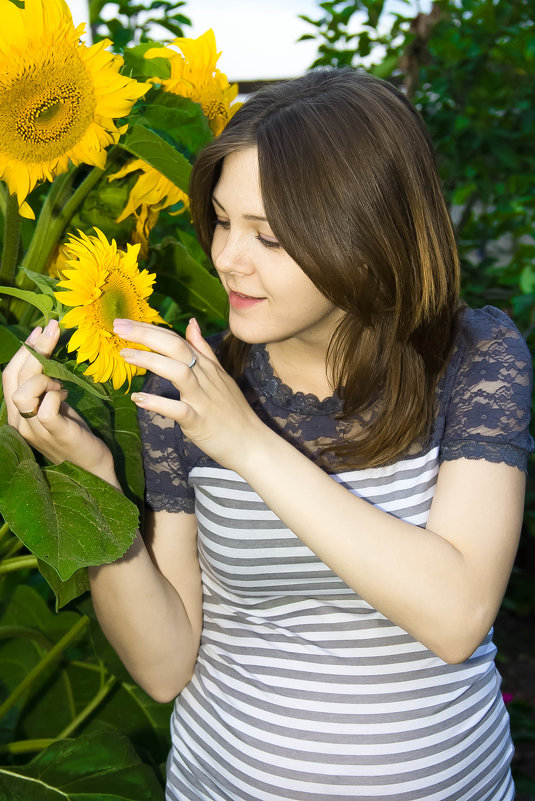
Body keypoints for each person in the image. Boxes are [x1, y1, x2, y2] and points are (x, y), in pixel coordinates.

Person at [3, 69, 533, 801]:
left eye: (270, 237)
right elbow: (162, 666)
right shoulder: (185, 389)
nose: (226, 258)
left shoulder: (473, 361)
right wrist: (90, 473)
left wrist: (247, 443)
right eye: (221, 220)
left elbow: (454, 615)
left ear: (369, 236)